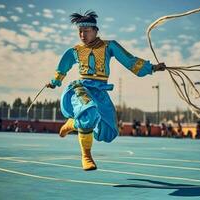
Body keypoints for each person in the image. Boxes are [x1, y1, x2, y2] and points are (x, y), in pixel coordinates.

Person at [46, 10, 166, 171]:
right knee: (88, 113)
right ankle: (86, 156)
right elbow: (63, 66)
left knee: (108, 132)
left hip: (100, 91)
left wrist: (152, 68)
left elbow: (129, 60)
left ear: (96, 31)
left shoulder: (110, 46)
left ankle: (73, 123)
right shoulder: (74, 51)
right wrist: (55, 82)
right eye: (80, 31)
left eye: (86, 31)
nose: (82, 34)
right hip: (81, 88)